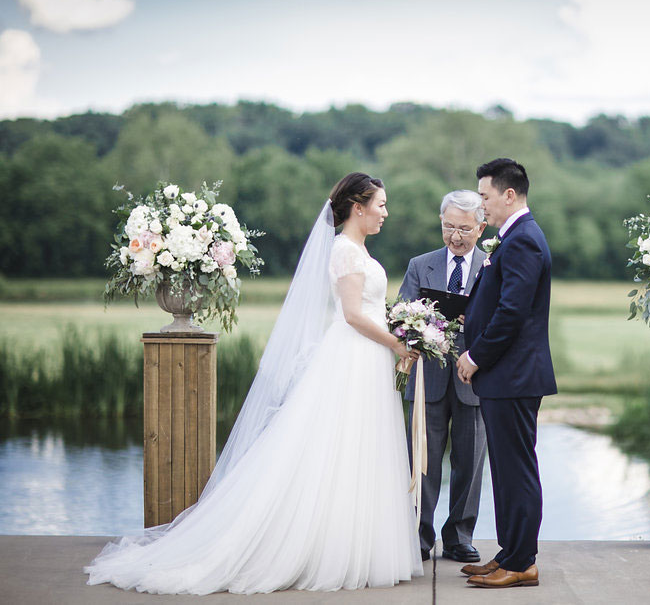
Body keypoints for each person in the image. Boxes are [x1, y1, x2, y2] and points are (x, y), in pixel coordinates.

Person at [85, 173, 424, 595]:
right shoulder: (345, 251)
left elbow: (370, 310)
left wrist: (407, 332)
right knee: (339, 447)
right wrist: (397, 343)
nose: (385, 213)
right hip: (353, 357)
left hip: (368, 358)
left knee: (360, 448)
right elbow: (353, 314)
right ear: (358, 207)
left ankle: (359, 544)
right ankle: (327, 549)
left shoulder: (358, 250)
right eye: (381, 205)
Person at [456, 158, 557, 589]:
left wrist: (475, 356)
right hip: (507, 377)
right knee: (506, 469)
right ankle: (510, 553)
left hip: (512, 376)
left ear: (508, 194)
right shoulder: (512, 237)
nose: (482, 206)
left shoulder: (523, 240)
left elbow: (512, 311)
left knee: (516, 470)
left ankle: (522, 562)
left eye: (485, 196)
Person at [398, 190, 487, 564]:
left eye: (464, 229)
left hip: (475, 381)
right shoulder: (420, 265)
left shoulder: (492, 265)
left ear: (480, 228)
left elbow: (505, 320)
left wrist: (476, 323)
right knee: (423, 460)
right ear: (441, 222)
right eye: (449, 226)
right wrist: (425, 321)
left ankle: (459, 537)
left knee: (470, 463)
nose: (455, 236)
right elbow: (402, 314)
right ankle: (418, 535)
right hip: (427, 379)